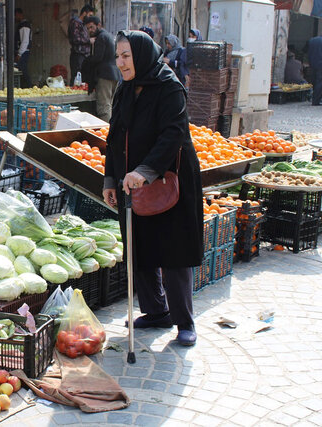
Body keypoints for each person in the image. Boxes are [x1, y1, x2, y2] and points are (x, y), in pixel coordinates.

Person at [102, 30, 203, 346]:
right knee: (140, 248)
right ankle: (157, 312)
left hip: (169, 180)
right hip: (131, 184)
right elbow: (115, 136)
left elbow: (172, 135)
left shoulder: (169, 87)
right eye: (118, 56)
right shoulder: (124, 89)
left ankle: (184, 321)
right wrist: (110, 178)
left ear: (142, 54)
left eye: (126, 55)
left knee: (173, 252)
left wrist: (144, 172)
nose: (120, 62)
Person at [83, 16, 121, 121]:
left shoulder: (101, 38)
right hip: (115, 75)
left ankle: (107, 133)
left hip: (105, 76)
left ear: (99, 25)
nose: (90, 30)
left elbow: (97, 58)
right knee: (110, 105)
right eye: (88, 28)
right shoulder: (109, 36)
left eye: (91, 27)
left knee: (104, 107)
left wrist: (87, 61)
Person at [68, 4, 94, 85]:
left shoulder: (83, 24)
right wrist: (88, 40)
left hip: (84, 56)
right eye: (90, 15)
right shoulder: (75, 23)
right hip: (78, 55)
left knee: (82, 78)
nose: (90, 17)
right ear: (84, 13)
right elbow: (75, 39)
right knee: (76, 78)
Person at [15, 8, 32, 88]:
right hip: (24, 51)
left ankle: (29, 86)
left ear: (19, 14)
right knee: (22, 70)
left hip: (23, 52)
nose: (15, 18)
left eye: (15, 15)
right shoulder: (23, 25)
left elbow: (25, 41)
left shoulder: (24, 26)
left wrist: (19, 53)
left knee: (22, 71)